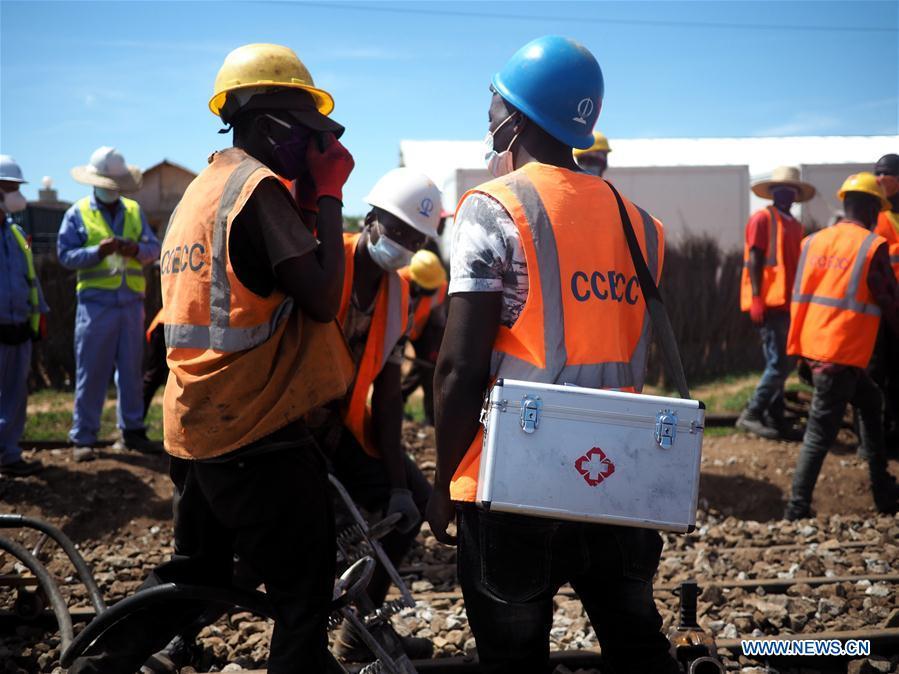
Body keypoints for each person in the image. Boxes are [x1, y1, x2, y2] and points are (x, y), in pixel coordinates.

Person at [68, 42, 356, 673]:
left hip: (195, 424)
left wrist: (306, 198)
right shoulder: (257, 191)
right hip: (257, 432)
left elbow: (256, 281)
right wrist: (329, 195)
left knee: (195, 575)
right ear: (261, 122)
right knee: (303, 591)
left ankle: (95, 665)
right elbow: (322, 297)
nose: (306, 147)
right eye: (301, 132)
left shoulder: (202, 193)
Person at [426, 36, 680, 674]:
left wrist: (440, 481)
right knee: (637, 648)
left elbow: (457, 368)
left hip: (517, 476)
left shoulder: (492, 207)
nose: (489, 128)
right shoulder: (642, 224)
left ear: (518, 116)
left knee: (513, 658)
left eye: (493, 114)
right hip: (617, 474)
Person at [324, 167, 440, 662]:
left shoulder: (397, 291)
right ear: (370, 218)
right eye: (396, 230)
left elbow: (389, 397)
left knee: (413, 500)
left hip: (339, 427)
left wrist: (397, 482)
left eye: (414, 238)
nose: (403, 243)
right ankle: (184, 631)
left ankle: (359, 631)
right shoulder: (329, 263)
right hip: (289, 425)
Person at [783, 173, 899, 520]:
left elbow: (801, 296)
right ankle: (796, 508)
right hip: (842, 354)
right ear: (871, 208)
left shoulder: (813, 242)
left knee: (870, 400)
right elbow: (890, 301)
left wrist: (800, 351)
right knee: (819, 433)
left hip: (816, 348)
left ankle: (881, 486)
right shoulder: (871, 245)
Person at [57, 146, 162, 461]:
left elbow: (153, 247)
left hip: (131, 303)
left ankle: (132, 431)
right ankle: (83, 437)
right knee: (92, 371)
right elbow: (65, 254)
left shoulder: (133, 210)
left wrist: (135, 250)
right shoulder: (77, 213)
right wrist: (96, 253)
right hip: (96, 305)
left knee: (130, 371)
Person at [736, 166, 815, 441]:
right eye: (781, 189)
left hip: (787, 303)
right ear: (773, 193)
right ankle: (753, 413)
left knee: (778, 361)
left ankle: (775, 417)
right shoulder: (762, 219)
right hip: (769, 302)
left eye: (791, 190)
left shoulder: (794, 225)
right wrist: (757, 297)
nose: (786, 194)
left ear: (796, 195)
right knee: (780, 364)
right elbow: (756, 258)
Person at [0, 155, 48, 477]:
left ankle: (9, 454)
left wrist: (40, 316)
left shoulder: (16, 234)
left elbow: (31, 280)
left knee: (16, 397)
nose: (17, 194)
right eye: (10, 188)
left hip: (19, 329)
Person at [400, 249, 448, 426]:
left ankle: (431, 418)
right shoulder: (397, 280)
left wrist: (435, 349)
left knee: (429, 369)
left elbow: (438, 320)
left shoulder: (439, 285)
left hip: (421, 328)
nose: (432, 290)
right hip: (395, 328)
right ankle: (392, 406)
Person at [872, 154, 899, 446]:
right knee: (879, 370)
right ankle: (880, 431)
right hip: (881, 309)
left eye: (885, 173)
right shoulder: (874, 215)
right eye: (876, 173)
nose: (879, 179)